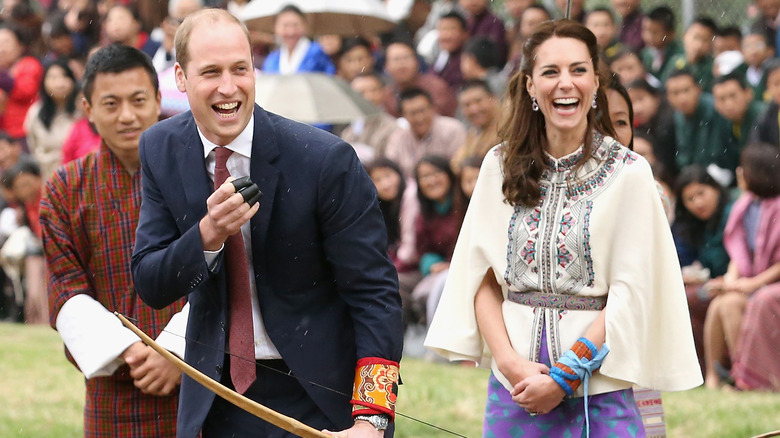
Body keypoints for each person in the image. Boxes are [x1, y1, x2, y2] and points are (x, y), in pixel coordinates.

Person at [131, 9, 403, 437]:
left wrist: (371, 416)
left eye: (240, 68)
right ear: (181, 78)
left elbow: (376, 294)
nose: (228, 87)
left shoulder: (323, 160)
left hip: (320, 398)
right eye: (211, 72)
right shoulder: (160, 148)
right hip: (215, 394)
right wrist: (208, 234)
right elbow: (150, 281)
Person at [425, 19, 702, 436]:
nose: (565, 83)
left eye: (577, 70)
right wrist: (510, 363)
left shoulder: (629, 173)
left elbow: (632, 292)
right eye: (550, 72)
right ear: (531, 86)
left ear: (595, 81)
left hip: (600, 385)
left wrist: (565, 375)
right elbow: (480, 279)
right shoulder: (498, 165)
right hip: (514, 386)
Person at [40, 44, 187, 437]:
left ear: (158, 99)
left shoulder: (197, 170)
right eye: (111, 103)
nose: (127, 115)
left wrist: (177, 350)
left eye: (138, 100)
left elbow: (228, 270)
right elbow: (65, 291)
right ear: (87, 109)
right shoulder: (66, 188)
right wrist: (131, 350)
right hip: (116, 385)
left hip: (200, 379)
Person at [704, 142, 780, 391]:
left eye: (743, 168)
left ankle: (746, 378)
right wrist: (730, 280)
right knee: (721, 303)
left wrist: (752, 284)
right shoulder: (744, 205)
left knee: (735, 303)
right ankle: (714, 378)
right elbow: (740, 253)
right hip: (752, 280)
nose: (739, 172)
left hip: (770, 282)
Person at [671, 165, 731, 373]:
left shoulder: (732, 213)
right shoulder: (693, 226)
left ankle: (720, 368)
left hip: (737, 282)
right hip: (711, 284)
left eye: (701, 193)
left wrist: (727, 279)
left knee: (693, 298)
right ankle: (702, 370)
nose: (697, 202)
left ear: (715, 189)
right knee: (682, 300)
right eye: (690, 198)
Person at [385, 87, 466, 178]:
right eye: (412, 113)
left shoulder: (452, 130)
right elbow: (391, 171)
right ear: (403, 116)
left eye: (422, 110)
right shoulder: (397, 138)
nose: (419, 118)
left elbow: (459, 167)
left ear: (433, 108)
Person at [24, 59, 80, 181]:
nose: (59, 83)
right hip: (50, 177)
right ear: (43, 82)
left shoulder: (81, 110)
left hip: (80, 175)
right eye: (53, 78)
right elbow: (33, 146)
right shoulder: (35, 113)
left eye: (65, 76)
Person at [0, 23, 43, 144]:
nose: (1, 49)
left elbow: (25, 91)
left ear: (20, 45)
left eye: (6, 42)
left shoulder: (29, 64)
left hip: (24, 132)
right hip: (4, 135)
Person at [261, 5, 335, 75]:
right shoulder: (272, 59)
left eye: (295, 25)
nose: (291, 32)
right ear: (276, 28)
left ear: (304, 25)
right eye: (285, 26)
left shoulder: (317, 52)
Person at [452, 78, 500, 173]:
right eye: (467, 105)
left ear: (493, 99)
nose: (474, 109)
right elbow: (456, 165)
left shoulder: (510, 124)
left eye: (478, 101)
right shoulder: (473, 133)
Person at [640, 6, 684, 83]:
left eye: (654, 32)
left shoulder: (680, 55)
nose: (647, 36)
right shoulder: (645, 54)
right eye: (645, 29)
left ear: (671, 33)